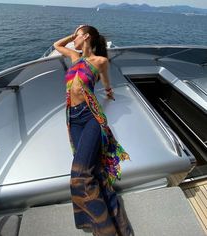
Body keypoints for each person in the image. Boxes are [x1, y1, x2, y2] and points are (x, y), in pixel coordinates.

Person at [53, 25, 131, 236]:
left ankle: (104, 231)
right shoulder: (73, 56)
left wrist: (107, 91)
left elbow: (106, 81)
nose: (72, 41)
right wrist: (74, 34)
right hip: (73, 119)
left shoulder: (100, 61)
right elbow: (56, 45)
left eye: (76, 36)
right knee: (96, 173)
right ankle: (122, 228)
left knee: (80, 174)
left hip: (91, 118)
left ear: (86, 37)